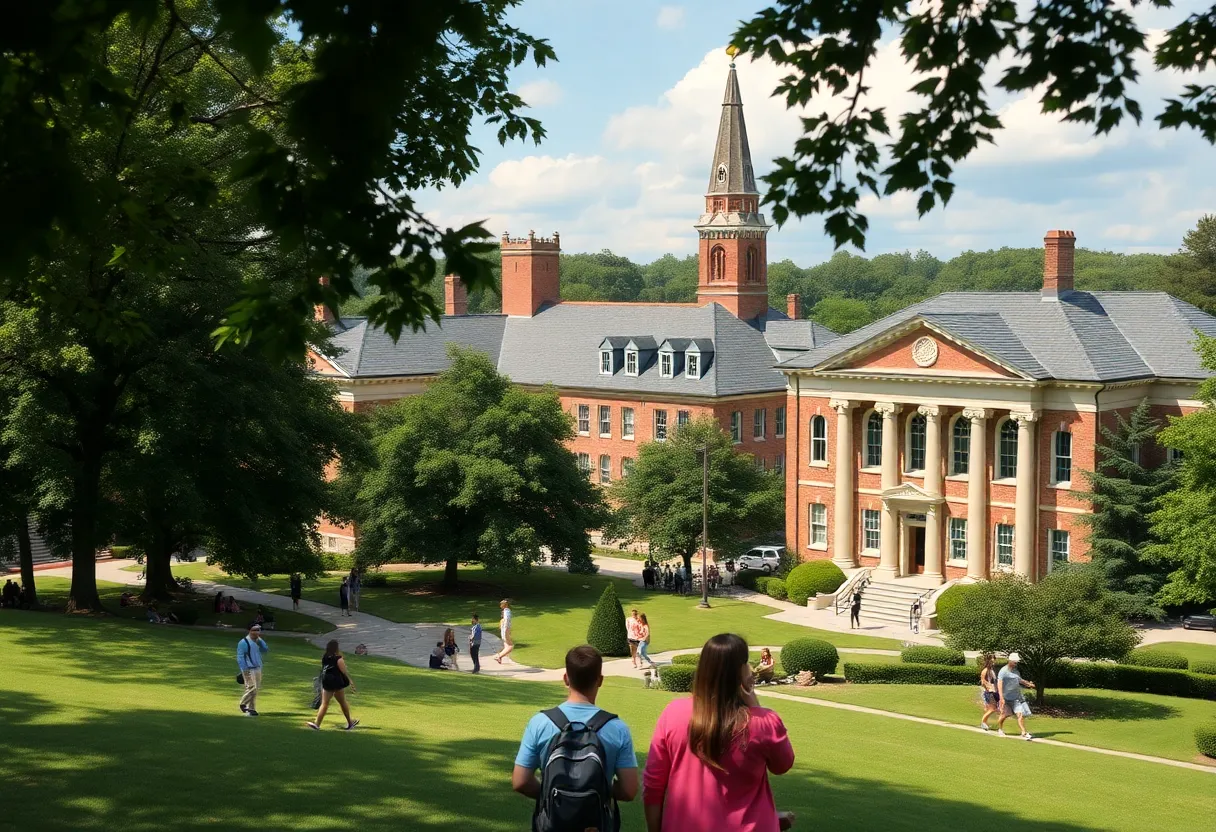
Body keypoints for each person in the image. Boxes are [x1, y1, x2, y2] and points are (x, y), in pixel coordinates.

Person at [644, 633, 796, 832]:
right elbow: (782, 765)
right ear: (740, 671)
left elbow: (653, 786)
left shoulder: (673, 713)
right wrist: (756, 707)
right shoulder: (762, 722)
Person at [512, 645, 638, 828]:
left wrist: (554, 793)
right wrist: (595, 790)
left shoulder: (539, 723)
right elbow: (629, 790)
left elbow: (520, 781)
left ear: (566, 678)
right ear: (600, 680)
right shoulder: (617, 729)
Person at [307, 640, 359, 730]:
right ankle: (350, 723)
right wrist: (350, 682)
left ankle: (317, 724)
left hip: (327, 683)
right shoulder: (339, 658)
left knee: (325, 703)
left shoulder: (325, 657)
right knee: (342, 702)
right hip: (337, 683)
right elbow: (344, 672)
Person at [997, 652, 1035, 740]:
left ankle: (1024, 732)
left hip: (1015, 698)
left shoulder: (1016, 671)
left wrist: (1028, 684)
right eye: (1015, 662)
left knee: (1020, 714)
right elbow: (999, 684)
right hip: (1006, 698)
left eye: (1016, 662)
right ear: (1010, 661)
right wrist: (1001, 697)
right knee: (1005, 715)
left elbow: (1020, 680)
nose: (1016, 663)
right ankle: (1000, 729)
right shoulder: (1003, 671)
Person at [237, 623, 270, 716]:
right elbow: (240, 657)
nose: (257, 632)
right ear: (250, 631)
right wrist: (245, 670)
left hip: (258, 668)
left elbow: (265, 650)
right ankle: (243, 703)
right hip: (248, 669)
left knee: (255, 689)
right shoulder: (244, 642)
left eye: (258, 630)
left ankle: (251, 709)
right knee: (252, 688)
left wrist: (261, 641)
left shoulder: (257, 641)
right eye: (254, 630)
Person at [979, 653, 1000, 732]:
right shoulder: (985, 671)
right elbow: (982, 682)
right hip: (989, 692)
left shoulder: (991, 670)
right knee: (993, 709)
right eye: (992, 661)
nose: (994, 662)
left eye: (994, 660)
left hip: (994, 691)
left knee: (990, 708)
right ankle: (983, 722)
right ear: (988, 661)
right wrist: (988, 688)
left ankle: (985, 723)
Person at [493, 599, 514, 664]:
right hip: (505, 629)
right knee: (510, 646)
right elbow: (507, 620)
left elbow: (504, 620)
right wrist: (507, 629)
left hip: (504, 629)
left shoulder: (504, 611)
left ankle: (500, 657)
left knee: (506, 645)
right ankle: (499, 656)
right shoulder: (507, 610)